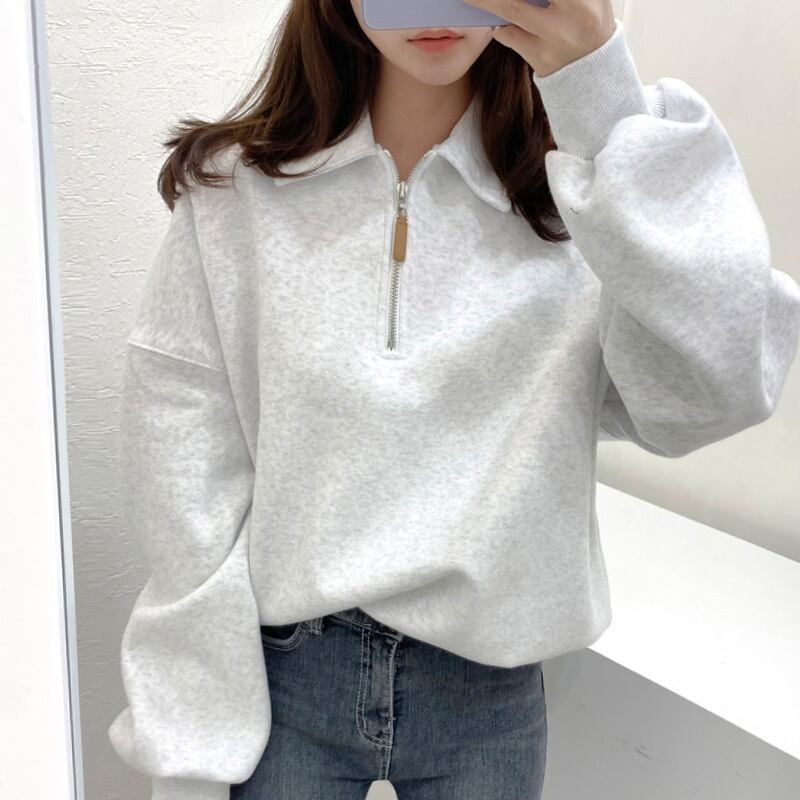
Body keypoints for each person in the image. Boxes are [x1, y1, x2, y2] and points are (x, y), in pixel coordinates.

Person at [107, 1, 800, 799]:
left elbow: (718, 389)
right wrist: (189, 743)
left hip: (488, 690)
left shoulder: (588, 196)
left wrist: (602, 97)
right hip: (285, 680)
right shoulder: (238, 193)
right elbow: (186, 478)